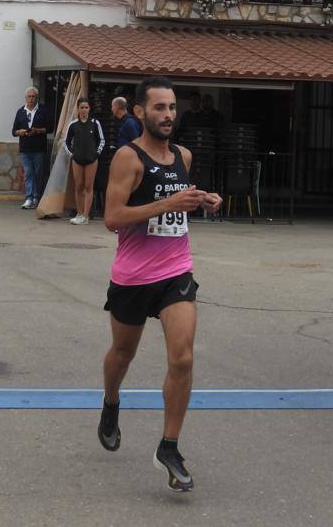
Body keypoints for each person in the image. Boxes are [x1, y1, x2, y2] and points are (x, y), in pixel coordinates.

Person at [97, 76, 222, 492]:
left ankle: (169, 446)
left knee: (182, 358)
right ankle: (111, 402)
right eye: (159, 108)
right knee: (122, 353)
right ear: (140, 113)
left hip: (175, 272)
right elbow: (113, 217)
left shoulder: (183, 155)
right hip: (133, 277)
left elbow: (177, 201)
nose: (168, 115)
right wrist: (167, 204)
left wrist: (202, 199)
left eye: (171, 108)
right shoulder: (127, 158)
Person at [65, 98, 104, 225]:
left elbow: (102, 140)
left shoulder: (95, 123)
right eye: (82, 107)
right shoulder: (73, 124)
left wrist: (96, 154)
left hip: (91, 160)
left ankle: (86, 215)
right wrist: (72, 153)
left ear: (89, 109)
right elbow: (66, 141)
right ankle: (79, 213)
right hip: (77, 160)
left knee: (88, 187)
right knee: (79, 186)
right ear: (78, 109)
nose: (84, 110)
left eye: (86, 107)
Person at [12, 86, 53, 210]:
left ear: (37, 98)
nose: (31, 99)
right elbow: (14, 131)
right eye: (29, 96)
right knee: (28, 173)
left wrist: (38, 130)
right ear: (26, 98)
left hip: (39, 149)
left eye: (33, 96)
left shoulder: (43, 110)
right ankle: (29, 198)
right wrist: (22, 132)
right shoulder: (20, 112)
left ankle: (37, 197)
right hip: (25, 149)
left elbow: (50, 128)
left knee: (38, 174)